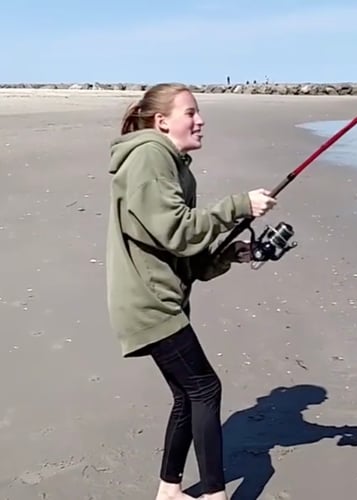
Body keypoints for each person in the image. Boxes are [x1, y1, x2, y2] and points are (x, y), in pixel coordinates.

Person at [105, 82, 277, 500]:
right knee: (204, 388)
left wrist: (233, 253)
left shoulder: (176, 165)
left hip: (162, 298)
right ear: (162, 122)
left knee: (187, 394)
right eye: (190, 113)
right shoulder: (148, 157)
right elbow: (176, 231)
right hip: (149, 303)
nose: (199, 121)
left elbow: (187, 257)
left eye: (199, 113)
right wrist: (237, 205)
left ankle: (169, 490)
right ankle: (215, 494)